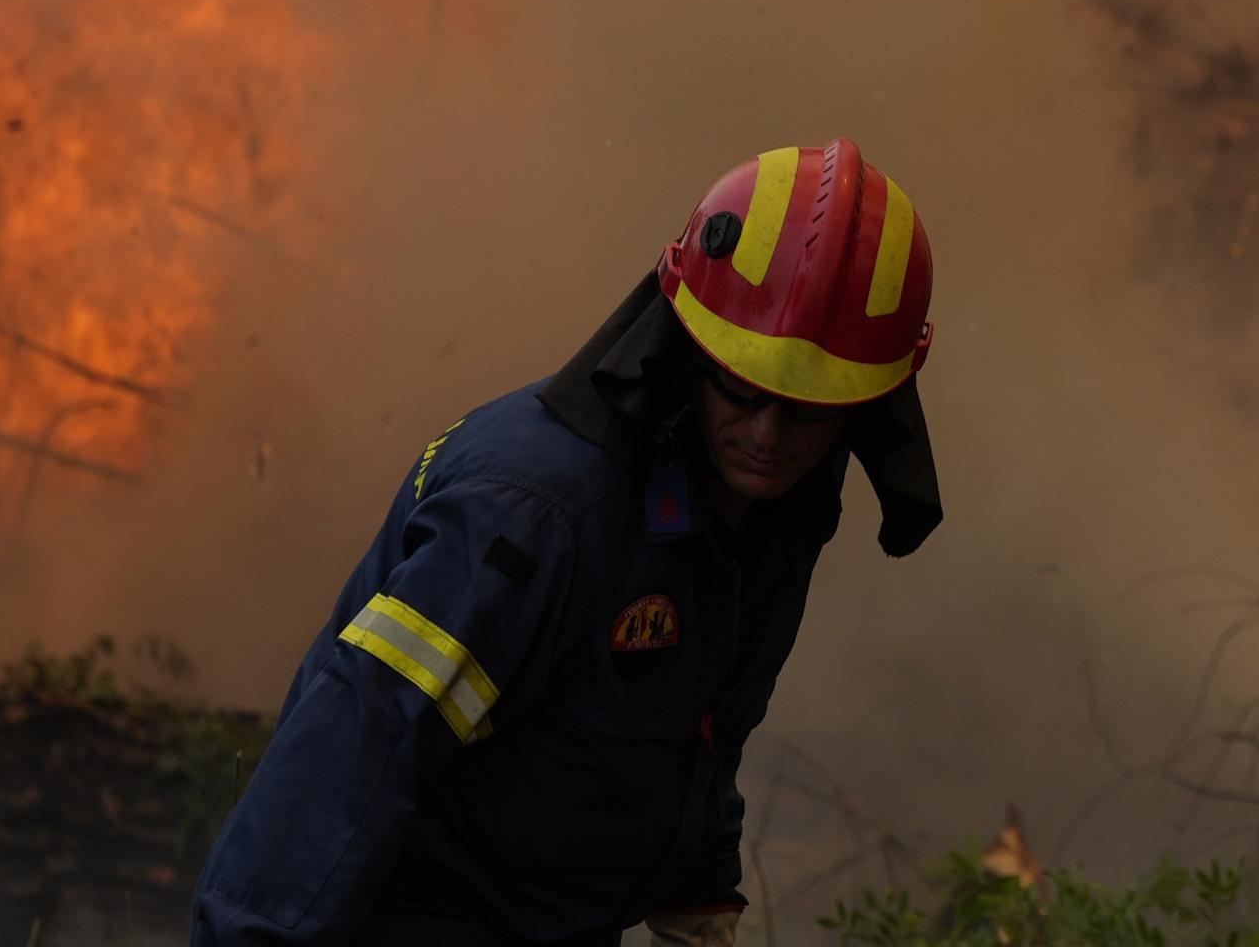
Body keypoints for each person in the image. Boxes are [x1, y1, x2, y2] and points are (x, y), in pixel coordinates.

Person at [193, 140, 942, 947]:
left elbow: (701, 719)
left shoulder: (775, 503)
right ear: (685, 339)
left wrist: (699, 889)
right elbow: (359, 743)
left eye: (808, 407)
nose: (767, 434)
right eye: (742, 384)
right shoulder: (535, 517)